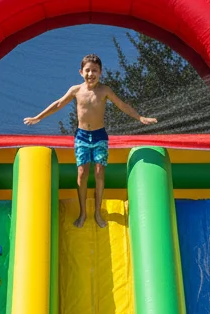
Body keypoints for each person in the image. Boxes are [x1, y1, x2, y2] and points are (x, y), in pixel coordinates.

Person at [23, 54, 157, 229]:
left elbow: (122, 105)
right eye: (87, 70)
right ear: (81, 72)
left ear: (100, 72)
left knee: (100, 173)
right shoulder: (76, 90)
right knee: (82, 174)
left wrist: (140, 117)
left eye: (94, 70)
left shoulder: (105, 90)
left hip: (100, 136)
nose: (90, 74)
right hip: (82, 137)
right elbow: (57, 104)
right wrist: (38, 117)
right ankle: (83, 212)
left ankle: (97, 212)